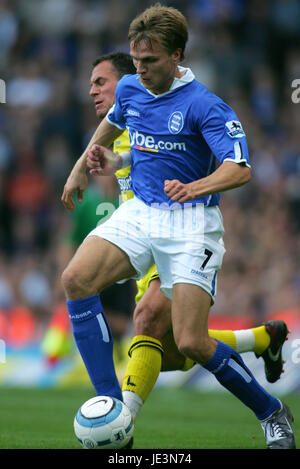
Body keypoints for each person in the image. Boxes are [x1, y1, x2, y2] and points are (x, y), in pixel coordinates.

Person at [61, 6, 295, 449]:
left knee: (189, 341)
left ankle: (273, 412)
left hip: (191, 223)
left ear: (177, 55)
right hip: (140, 213)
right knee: (75, 278)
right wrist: (86, 165)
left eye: (150, 62)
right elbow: (110, 128)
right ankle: (112, 406)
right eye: (137, 60)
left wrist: (196, 186)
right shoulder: (130, 88)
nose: (141, 70)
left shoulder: (205, 105)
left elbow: (241, 168)